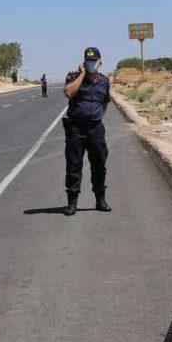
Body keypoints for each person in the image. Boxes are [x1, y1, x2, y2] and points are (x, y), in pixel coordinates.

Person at [62, 46, 112, 216]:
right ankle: (72, 202)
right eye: (88, 61)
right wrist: (82, 75)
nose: (91, 64)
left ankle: (100, 200)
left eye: (94, 61)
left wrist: (97, 118)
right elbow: (69, 93)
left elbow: (105, 102)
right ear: (83, 62)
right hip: (76, 129)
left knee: (99, 164)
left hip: (95, 129)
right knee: (74, 166)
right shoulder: (73, 77)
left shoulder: (104, 80)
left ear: (100, 61)